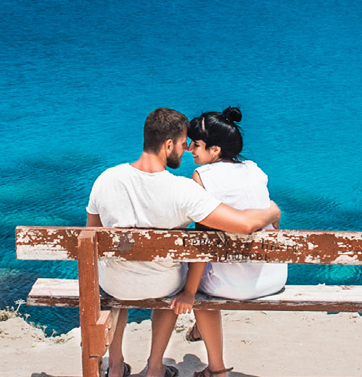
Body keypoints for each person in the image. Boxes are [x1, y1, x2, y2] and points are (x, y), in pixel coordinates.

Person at [86, 107, 281, 377]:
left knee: (117, 283)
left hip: (115, 284)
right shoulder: (184, 190)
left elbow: (91, 236)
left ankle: (116, 366)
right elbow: (245, 225)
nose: (186, 149)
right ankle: (155, 368)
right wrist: (273, 211)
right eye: (181, 143)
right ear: (168, 145)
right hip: (163, 286)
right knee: (174, 285)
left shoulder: (105, 179)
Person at [170, 107, 287, 377]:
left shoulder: (203, 178)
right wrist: (273, 210)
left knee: (197, 288)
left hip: (233, 286)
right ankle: (199, 330)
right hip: (272, 277)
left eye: (197, 145)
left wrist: (189, 292)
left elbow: (204, 242)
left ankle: (217, 369)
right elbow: (268, 219)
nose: (190, 150)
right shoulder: (255, 170)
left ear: (215, 150)